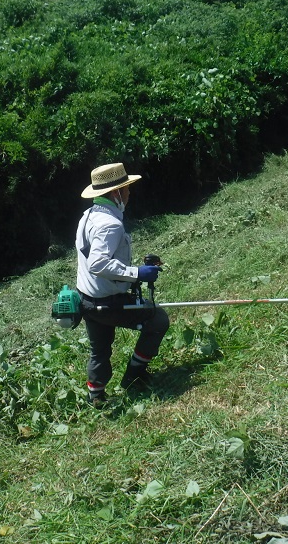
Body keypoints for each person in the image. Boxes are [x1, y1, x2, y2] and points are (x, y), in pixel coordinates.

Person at [75, 163, 170, 407]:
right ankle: (134, 377)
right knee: (158, 320)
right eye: (127, 189)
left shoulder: (88, 217)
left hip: (86, 298)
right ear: (116, 193)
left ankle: (96, 396)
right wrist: (136, 273)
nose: (130, 194)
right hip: (107, 302)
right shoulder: (110, 224)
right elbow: (98, 263)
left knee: (100, 350)